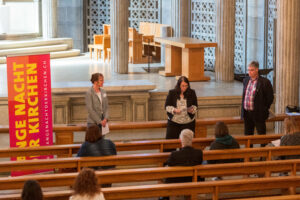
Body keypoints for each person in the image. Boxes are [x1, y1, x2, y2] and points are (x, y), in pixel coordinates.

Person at [160, 129, 203, 200]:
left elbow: (168, 165)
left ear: (180, 140)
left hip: (176, 182)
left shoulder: (174, 154)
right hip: (194, 181)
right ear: (192, 140)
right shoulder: (199, 153)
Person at [241, 61, 274, 143]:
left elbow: (270, 98)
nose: (249, 72)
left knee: (262, 136)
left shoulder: (265, 82)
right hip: (247, 113)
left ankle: (263, 155)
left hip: (259, 113)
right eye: (248, 70)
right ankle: (249, 154)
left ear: (257, 70)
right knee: (248, 137)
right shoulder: (246, 80)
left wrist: (264, 108)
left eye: (251, 70)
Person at [165, 76, 198, 140]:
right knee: (170, 144)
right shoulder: (172, 93)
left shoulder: (192, 92)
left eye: (186, 86)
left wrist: (192, 109)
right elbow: (167, 106)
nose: (184, 88)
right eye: (183, 86)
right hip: (174, 122)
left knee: (186, 144)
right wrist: (174, 110)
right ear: (178, 85)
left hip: (188, 122)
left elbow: (195, 106)